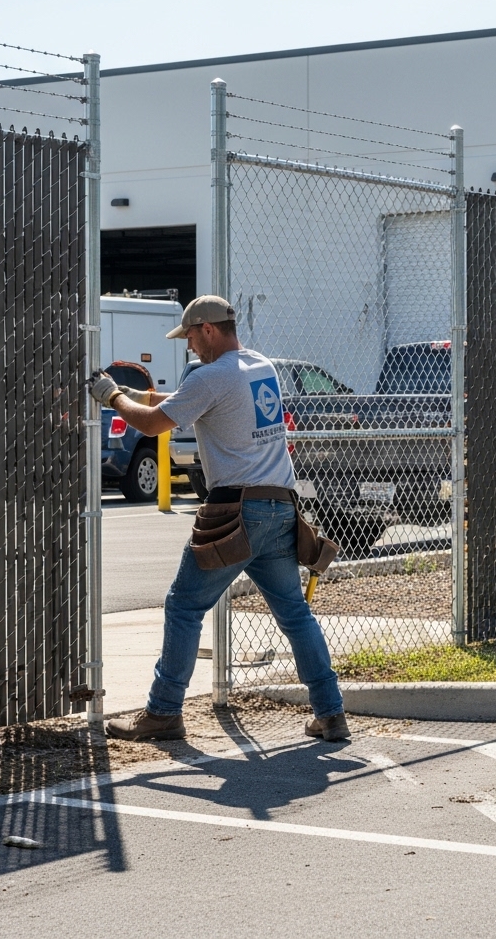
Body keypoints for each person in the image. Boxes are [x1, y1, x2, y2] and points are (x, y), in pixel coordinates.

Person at [90, 295, 349, 742]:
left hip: (236, 514)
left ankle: (164, 711)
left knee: (185, 606)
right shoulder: (260, 366)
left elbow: (154, 424)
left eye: (190, 336)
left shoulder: (210, 376)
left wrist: (111, 396)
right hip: (281, 508)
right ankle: (331, 713)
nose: (188, 346)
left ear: (207, 329)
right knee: (294, 614)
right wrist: (136, 393)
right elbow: (188, 400)